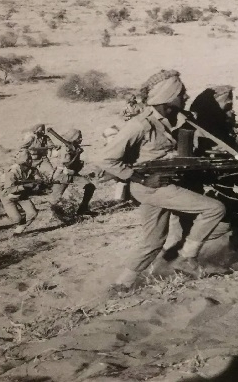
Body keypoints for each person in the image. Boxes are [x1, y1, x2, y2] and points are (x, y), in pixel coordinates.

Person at [99, 70, 228, 292]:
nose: (186, 97)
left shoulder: (176, 119)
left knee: (153, 242)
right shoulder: (140, 125)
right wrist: (140, 178)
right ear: (168, 96)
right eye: (182, 93)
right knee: (214, 209)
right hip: (152, 187)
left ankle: (122, 283)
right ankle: (187, 259)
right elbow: (106, 159)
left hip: (159, 186)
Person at [49, 129, 96, 220]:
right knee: (56, 198)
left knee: (90, 186)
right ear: (73, 138)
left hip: (73, 174)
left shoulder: (74, 146)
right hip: (62, 175)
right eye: (79, 137)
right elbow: (67, 164)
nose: (81, 139)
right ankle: (54, 216)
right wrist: (77, 154)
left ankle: (83, 209)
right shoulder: (65, 149)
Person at [0, 150, 40, 235]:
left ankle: (18, 231)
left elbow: (38, 180)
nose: (31, 161)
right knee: (16, 218)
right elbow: (9, 189)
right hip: (7, 195)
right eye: (28, 159)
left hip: (21, 195)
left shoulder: (32, 169)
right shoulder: (12, 172)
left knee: (33, 213)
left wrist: (39, 184)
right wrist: (25, 186)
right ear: (22, 162)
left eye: (31, 158)